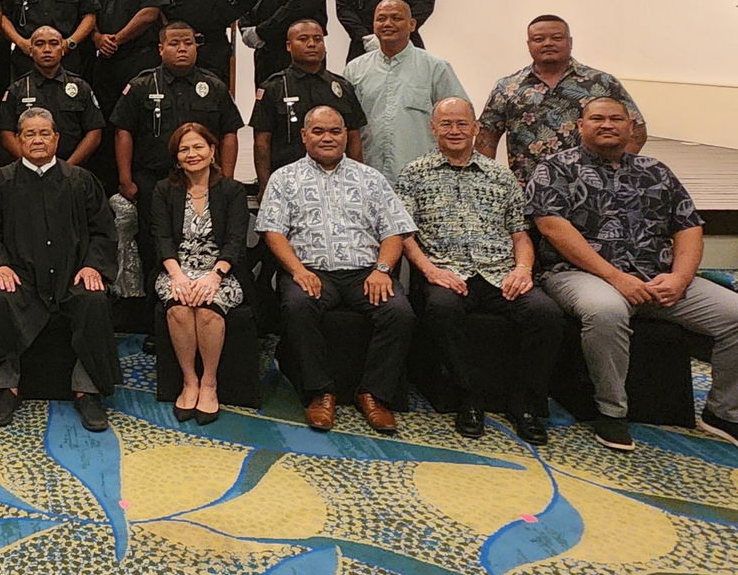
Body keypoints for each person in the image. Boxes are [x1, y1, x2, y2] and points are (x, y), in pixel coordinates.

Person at [530, 96, 738, 451]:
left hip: (658, 277)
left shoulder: (655, 171)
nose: (607, 125)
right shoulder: (554, 169)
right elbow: (553, 228)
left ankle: (723, 412)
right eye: (597, 118)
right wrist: (615, 277)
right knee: (606, 311)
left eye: (616, 119)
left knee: (734, 314)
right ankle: (611, 412)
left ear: (631, 127)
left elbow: (688, 226)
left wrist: (680, 278)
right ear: (580, 126)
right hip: (580, 275)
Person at [395, 98, 560, 443]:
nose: (454, 131)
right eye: (446, 124)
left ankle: (524, 403)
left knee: (546, 313)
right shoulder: (414, 173)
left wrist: (524, 270)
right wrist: (429, 271)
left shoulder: (501, 175)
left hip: (500, 273)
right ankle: (469, 398)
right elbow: (404, 234)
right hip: (447, 272)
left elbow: (520, 233)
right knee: (441, 308)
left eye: (461, 124)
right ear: (433, 128)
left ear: (475, 128)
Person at [257, 106, 416, 434]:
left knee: (399, 313)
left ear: (346, 135)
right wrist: (297, 271)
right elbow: (272, 232)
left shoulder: (370, 179)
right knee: (298, 306)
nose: (327, 137)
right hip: (310, 270)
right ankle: (320, 393)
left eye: (335, 131)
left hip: (364, 273)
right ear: (304, 136)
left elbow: (393, 231)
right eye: (318, 131)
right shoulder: (284, 178)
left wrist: (383, 270)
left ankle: (374, 394)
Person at [0, 109, 120, 432]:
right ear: (18, 140)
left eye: (44, 134)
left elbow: (103, 231)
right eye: (29, 134)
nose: (37, 140)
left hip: (72, 276)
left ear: (56, 139)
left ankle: (87, 391)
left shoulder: (81, 181)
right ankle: (5, 388)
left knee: (93, 301)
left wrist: (94, 266)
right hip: (20, 277)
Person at [111, 22, 242, 299]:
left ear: (197, 47)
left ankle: (204, 297)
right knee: (153, 246)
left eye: (188, 43)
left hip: (204, 183)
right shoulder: (141, 85)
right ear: (161, 49)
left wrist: (226, 178)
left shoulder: (214, 85)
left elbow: (229, 132)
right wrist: (125, 179)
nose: (182, 48)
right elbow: (124, 131)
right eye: (174, 43)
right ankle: (154, 314)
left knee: (207, 243)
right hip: (153, 179)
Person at [477, 14, 646, 185]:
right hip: (528, 191)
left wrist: (615, 169)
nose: (548, 43)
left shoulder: (602, 83)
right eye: (539, 39)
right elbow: (486, 137)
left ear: (570, 42)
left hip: (595, 189)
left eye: (556, 38)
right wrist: (491, 182)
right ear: (529, 45)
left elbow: (637, 130)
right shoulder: (507, 88)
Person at [152, 124, 249, 425]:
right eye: (184, 149)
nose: (192, 154)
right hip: (176, 268)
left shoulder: (232, 191)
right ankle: (189, 380)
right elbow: (161, 238)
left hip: (220, 271)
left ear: (212, 150)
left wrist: (214, 276)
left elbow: (235, 241)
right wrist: (177, 276)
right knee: (179, 309)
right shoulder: (164, 190)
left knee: (207, 312)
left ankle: (209, 383)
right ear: (176, 157)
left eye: (198, 147)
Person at [342, 0, 468, 185]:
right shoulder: (354, 70)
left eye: (396, 18)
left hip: (424, 182)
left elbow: (461, 123)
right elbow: (346, 127)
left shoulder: (435, 68)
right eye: (381, 19)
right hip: (368, 180)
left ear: (412, 24)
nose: (388, 24)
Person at [251, 19, 366, 189]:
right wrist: (264, 185)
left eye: (318, 39)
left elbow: (354, 137)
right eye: (303, 39)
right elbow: (262, 143)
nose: (312, 44)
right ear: (289, 46)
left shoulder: (341, 87)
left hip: (337, 182)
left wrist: (357, 180)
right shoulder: (274, 87)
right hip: (288, 183)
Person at [0, 26, 103, 167]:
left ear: (62, 50)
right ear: (31, 50)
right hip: (28, 170)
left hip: (73, 169)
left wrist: (66, 168)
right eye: (40, 44)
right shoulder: (16, 89)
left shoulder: (81, 87)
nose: (47, 49)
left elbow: (94, 133)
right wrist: (32, 164)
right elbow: (6, 134)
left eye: (53, 43)